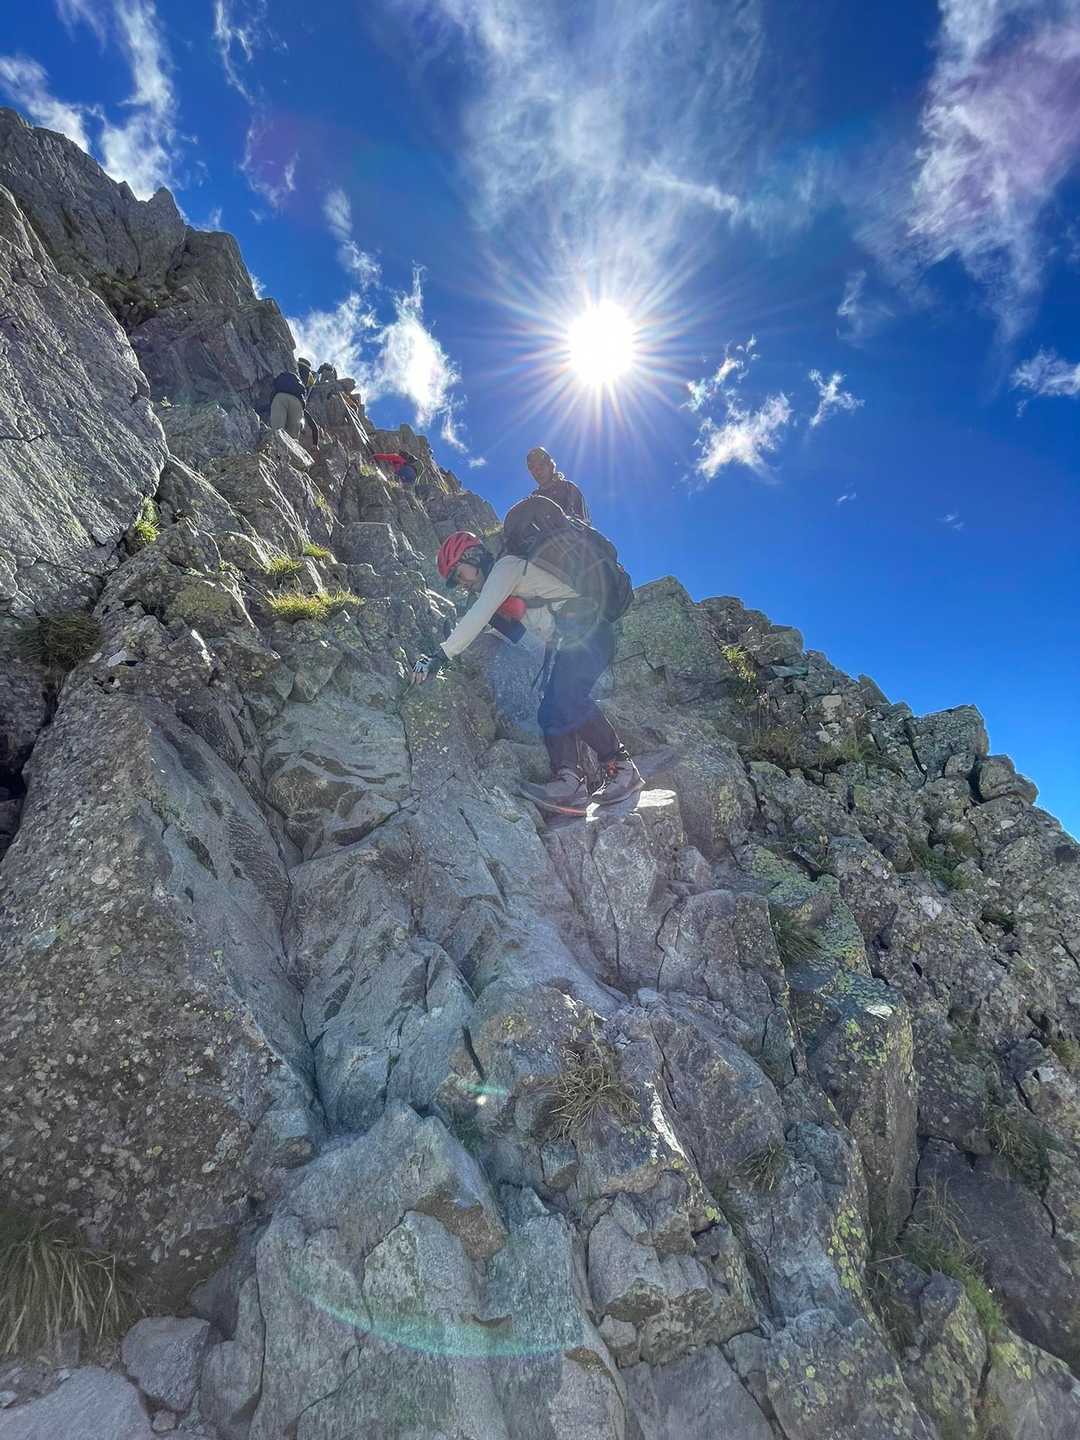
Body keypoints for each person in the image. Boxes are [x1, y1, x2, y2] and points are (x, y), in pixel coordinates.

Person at [409, 531, 643, 815]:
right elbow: (525, 636)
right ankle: (569, 782)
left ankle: (622, 768)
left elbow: (478, 614)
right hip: (570, 643)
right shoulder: (501, 593)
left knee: (568, 698)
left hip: (591, 633)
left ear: (474, 557)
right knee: (550, 708)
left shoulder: (505, 568)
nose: (462, 583)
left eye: (459, 574)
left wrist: (440, 656)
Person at [526, 447, 590, 524]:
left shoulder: (568, 488)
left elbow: (585, 523)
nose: (538, 471)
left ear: (550, 466)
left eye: (541, 465)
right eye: (532, 468)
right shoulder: (533, 498)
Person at [270, 367, 319, 450]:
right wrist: (315, 444)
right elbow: (314, 426)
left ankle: (274, 451)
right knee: (292, 439)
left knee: (277, 431)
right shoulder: (302, 405)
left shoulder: (281, 388)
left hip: (279, 398)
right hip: (298, 404)